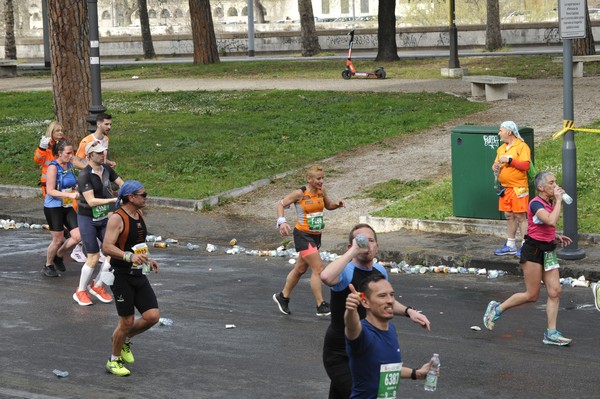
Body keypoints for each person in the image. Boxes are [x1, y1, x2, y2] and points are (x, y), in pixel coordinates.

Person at [320, 223, 431, 399]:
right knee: (359, 392)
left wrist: (409, 311)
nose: (367, 245)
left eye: (371, 240)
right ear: (351, 246)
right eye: (361, 241)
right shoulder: (347, 271)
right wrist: (353, 251)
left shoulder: (379, 271)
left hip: (367, 344)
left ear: (377, 246)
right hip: (341, 350)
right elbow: (325, 277)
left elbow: (385, 301)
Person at [483, 170, 573, 346]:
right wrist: (560, 201)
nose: (555, 186)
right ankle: (497, 308)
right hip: (532, 252)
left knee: (555, 291)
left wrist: (554, 237)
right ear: (540, 187)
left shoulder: (549, 203)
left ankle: (551, 333)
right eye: (551, 183)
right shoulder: (535, 203)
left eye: (555, 182)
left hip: (548, 250)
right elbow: (550, 221)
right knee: (532, 295)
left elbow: (542, 227)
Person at [102, 180, 160, 377]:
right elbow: (107, 246)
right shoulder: (117, 218)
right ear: (131, 197)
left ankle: (124, 339)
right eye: (143, 195)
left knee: (152, 316)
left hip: (138, 273)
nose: (146, 198)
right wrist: (129, 257)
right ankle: (114, 360)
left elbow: (137, 244)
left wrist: (147, 259)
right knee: (126, 321)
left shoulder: (139, 214)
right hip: (121, 276)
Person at [345, 275, 437, 399]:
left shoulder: (391, 329)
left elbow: (386, 369)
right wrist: (351, 310)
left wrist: (416, 373)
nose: (390, 300)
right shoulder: (362, 333)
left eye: (392, 295)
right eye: (382, 296)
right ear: (366, 302)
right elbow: (351, 325)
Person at [272, 165, 345, 316]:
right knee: (318, 268)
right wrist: (282, 221)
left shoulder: (321, 192)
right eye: (318, 179)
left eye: (323, 178)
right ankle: (320, 305)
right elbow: (281, 204)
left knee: (300, 269)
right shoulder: (300, 193)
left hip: (315, 235)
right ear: (309, 179)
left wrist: (337, 205)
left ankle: (283, 297)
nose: (321, 181)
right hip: (302, 235)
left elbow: (328, 205)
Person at [73, 141, 123, 306]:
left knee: (113, 253)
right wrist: (114, 200)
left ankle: (97, 285)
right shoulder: (84, 175)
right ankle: (80, 291)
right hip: (87, 218)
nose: (103, 155)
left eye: (104, 152)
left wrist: (131, 192)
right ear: (89, 156)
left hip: (103, 218)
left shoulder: (107, 169)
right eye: (99, 153)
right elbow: (91, 201)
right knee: (93, 257)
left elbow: (121, 184)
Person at [41, 140, 81, 277]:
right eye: (68, 153)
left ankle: (59, 254)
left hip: (67, 204)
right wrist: (69, 194)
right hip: (53, 207)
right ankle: (48, 264)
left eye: (72, 153)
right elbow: (50, 190)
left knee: (78, 236)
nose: (71, 155)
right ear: (59, 153)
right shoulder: (53, 167)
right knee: (58, 239)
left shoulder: (69, 165)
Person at [492, 121, 531, 258]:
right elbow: (496, 163)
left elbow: (526, 166)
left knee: (520, 216)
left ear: (509, 132)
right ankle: (510, 245)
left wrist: (510, 161)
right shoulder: (501, 148)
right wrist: (495, 167)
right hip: (505, 188)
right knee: (509, 216)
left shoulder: (522, 146)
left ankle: (526, 245)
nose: (499, 133)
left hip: (518, 187)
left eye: (500, 130)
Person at [34, 121, 64, 198]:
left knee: (68, 205)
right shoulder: (45, 144)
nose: (60, 132)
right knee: (52, 206)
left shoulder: (65, 144)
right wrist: (42, 148)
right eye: (57, 130)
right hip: (49, 182)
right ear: (51, 132)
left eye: (61, 130)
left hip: (64, 181)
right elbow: (37, 160)